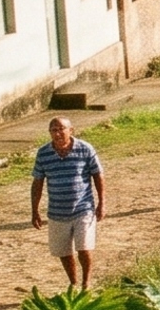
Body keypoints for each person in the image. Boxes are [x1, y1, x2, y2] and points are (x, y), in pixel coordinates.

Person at [29, 117, 109, 289]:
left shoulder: (85, 149)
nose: (57, 133)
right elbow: (37, 182)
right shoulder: (43, 153)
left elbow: (98, 175)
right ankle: (73, 282)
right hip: (57, 211)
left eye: (61, 129)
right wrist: (34, 210)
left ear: (71, 130)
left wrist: (102, 202)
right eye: (53, 130)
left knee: (84, 247)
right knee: (63, 252)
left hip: (83, 208)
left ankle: (86, 282)